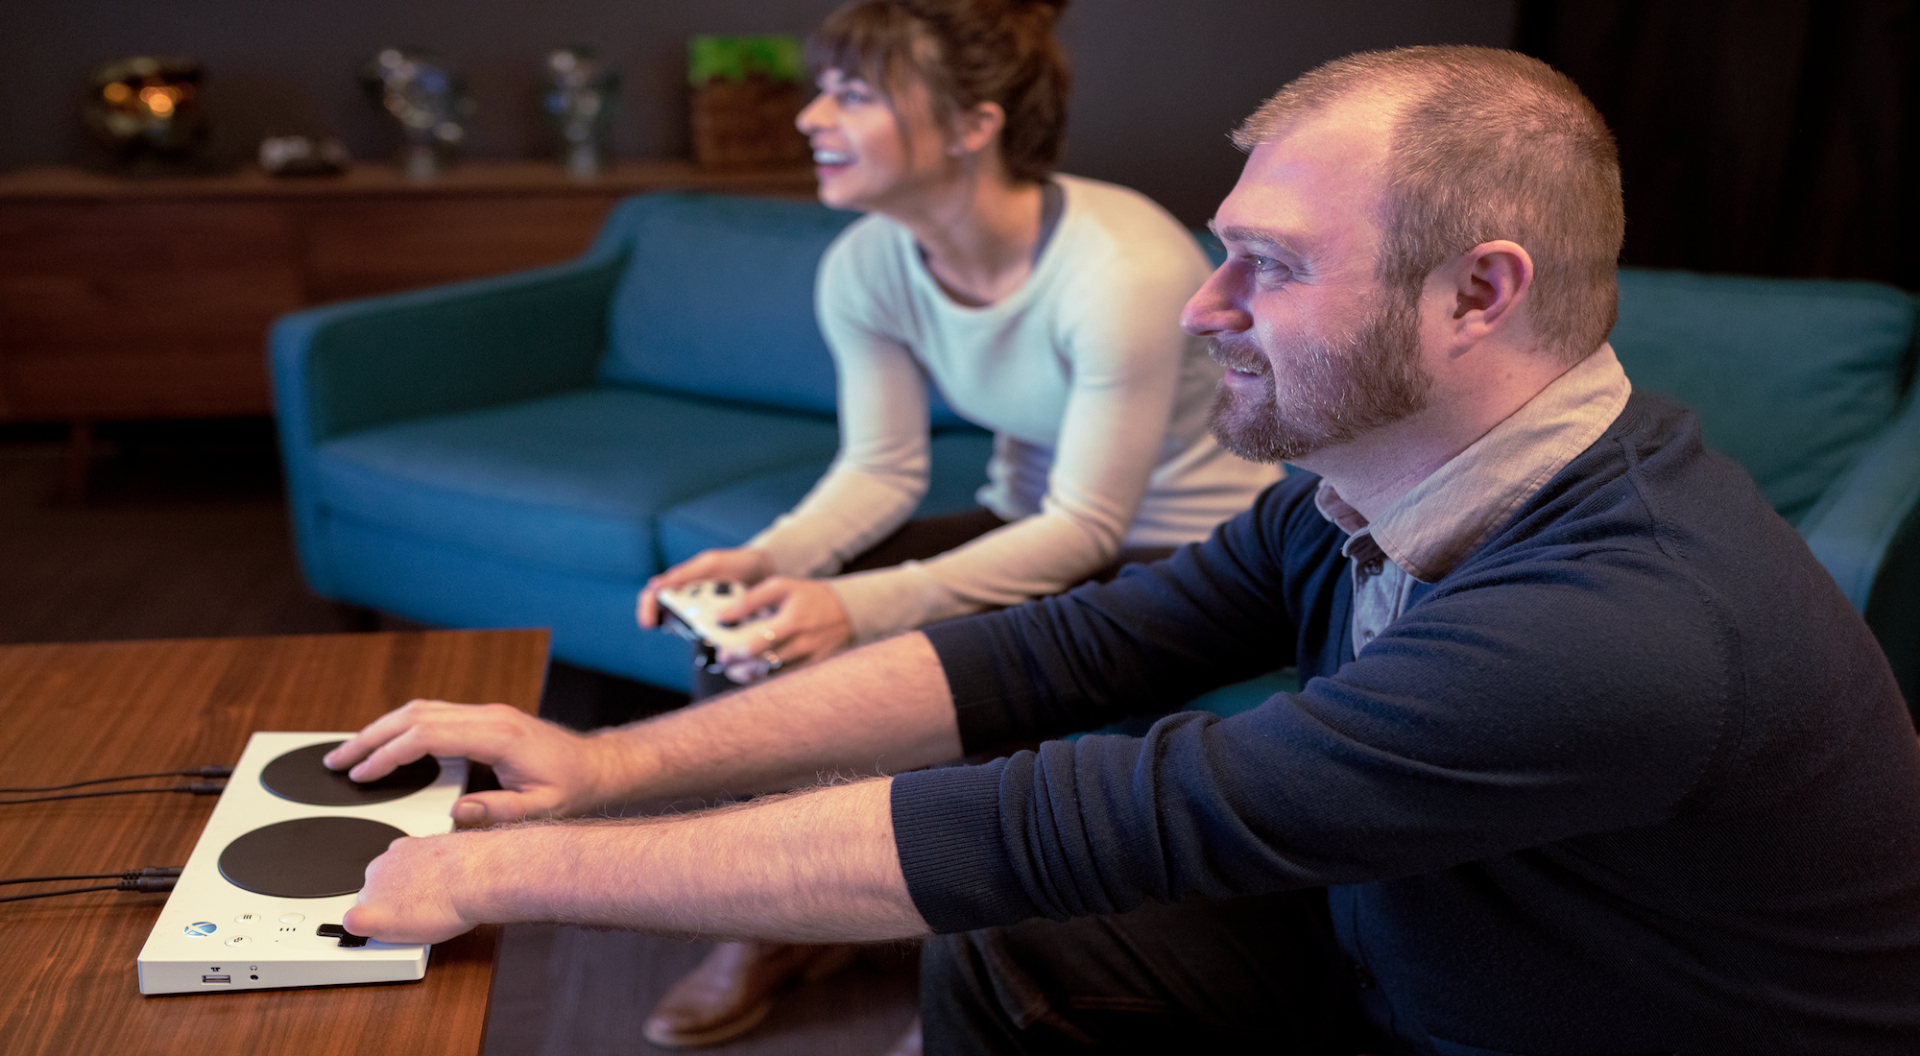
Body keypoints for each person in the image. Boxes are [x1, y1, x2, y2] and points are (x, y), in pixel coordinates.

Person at [328, 45, 1920, 1055]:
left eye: (1268, 268)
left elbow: (1097, 814)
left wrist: (509, 870)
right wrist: (596, 770)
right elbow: (1058, 654)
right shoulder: (1363, 490)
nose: (1201, 307)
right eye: (1222, 249)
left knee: (1042, 878)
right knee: (1027, 948)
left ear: (1480, 295)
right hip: (1419, 940)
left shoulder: (1617, 624)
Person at [635, 1, 1275, 1042]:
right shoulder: (869, 262)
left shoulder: (1122, 268)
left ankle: (966, 984)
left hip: (1183, 553)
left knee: (864, 632)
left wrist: (852, 605)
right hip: (1031, 526)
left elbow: (1088, 527)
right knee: (752, 630)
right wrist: (767, 560)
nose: (807, 117)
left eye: (850, 93)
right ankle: (773, 922)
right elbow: (882, 468)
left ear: (973, 124)